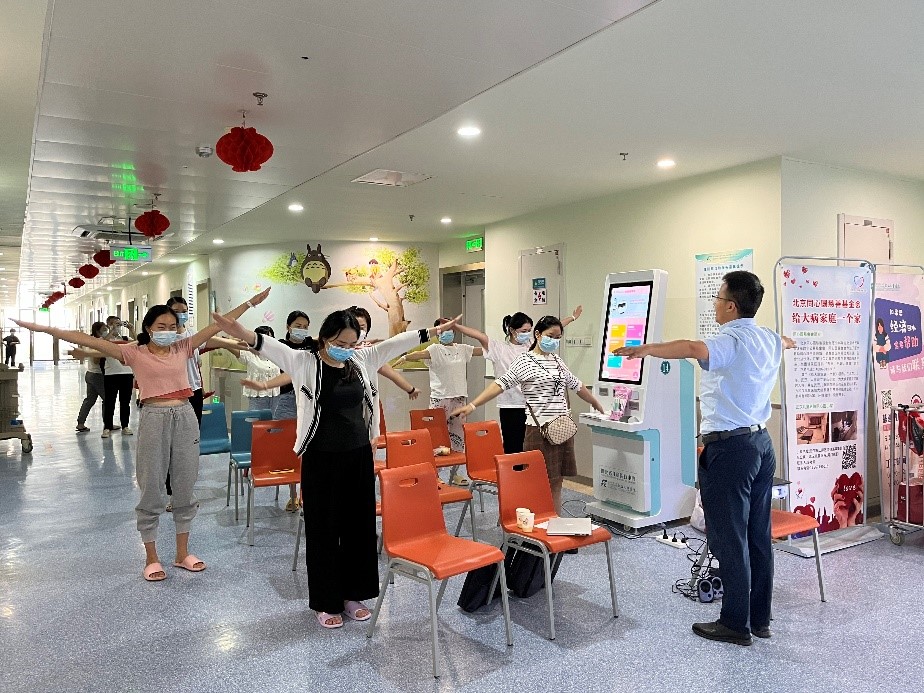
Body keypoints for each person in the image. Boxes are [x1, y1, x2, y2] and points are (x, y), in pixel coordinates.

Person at [213, 308, 458, 629]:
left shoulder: (361, 359)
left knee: (358, 527)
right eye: (341, 343)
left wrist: (432, 332)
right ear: (325, 338)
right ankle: (326, 601)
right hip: (321, 457)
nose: (346, 349)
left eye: (352, 343)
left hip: (358, 455)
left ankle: (354, 595)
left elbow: (395, 344)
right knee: (324, 529)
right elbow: (269, 346)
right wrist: (238, 331)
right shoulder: (304, 362)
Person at [14, 288, 270, 582]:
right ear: (148, 328)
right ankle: (151, 556)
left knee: (185, 483)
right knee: (151, 485)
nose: (168, 331)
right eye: (161, 326)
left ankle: (182, 553)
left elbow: (219, 325)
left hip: (185, 415)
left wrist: (250, 302)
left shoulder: (184, 347)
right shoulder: (132, 352)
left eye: (172, 326)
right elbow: (87, 340)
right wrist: (43, 328)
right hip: (153, 417)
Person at [613, 270, 794, 646]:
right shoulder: (768, 337)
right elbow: (786, 342)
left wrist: (645, 349)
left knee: (730, 539)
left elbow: (693, 348)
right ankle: (759, 619)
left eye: (718, 298)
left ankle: (735, 624)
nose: (714, 304)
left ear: (731, 306)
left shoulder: (730, 339)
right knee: (757, 536)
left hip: (732, 450)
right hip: (762, 445)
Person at [452, 314, 604, 512]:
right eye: (551, 336)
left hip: (561, 428)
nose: (554, 341)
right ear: (538, 335)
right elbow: (500, 384)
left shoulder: (557, 361)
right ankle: (536, 522)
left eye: (558, 338)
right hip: (539, 429)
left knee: (557, 482)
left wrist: (595, 402)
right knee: (536, 481)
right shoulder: (525, 361)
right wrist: (472, 405)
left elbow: (576, 385)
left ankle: (554, 521)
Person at [454, 306, 583, 454]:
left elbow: (554, 328)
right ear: (512, 330)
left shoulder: (531, 345)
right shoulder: (499, 349)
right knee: (513, 447)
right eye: (524, 331)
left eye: (529, 330)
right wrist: (455, 326)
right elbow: (479, 336)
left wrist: (573, 318)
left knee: (532, 447)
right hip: (510, 406)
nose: (527, 334)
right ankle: (513, 469)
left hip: (532, 406)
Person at [397, 319, 484, 485]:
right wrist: (406, 356)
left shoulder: (462, 349)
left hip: (459, 399)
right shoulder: (435, 349)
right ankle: (434, 475)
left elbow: (482, 351)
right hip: (440, 398)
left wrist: (499, 347)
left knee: (458, 438)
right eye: (443, 330)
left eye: (450, 329)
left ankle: (455, 474)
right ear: (437, 333)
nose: (447, 333)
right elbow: (420, 354)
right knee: (436, 438)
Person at [221, 326, 282, 411]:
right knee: (255, 418)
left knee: (274, 418)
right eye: (264, 338)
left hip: (275, 396)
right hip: (257, 397)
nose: (267, 341)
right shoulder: (249, 354)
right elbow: (226, 344)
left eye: (270, 338)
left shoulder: (276, 354)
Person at [101, 316, 136, 438]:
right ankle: (107, 427)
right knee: (109, 402)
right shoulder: (106, 339)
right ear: (108, 325)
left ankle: (125, 425)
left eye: (118, 324)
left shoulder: (125, 339)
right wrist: (112, 331)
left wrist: (132, 329)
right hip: (111, 374)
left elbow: (139, 344)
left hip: (126, 373)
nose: (117, 326)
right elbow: (102, 344)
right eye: (113, 324)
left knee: (125, 402)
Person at [274, 310, 312, 420]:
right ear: (288, 327)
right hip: (288, 395)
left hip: (308, 396)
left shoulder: (311, 344)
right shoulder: (281, 345)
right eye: (298, 326)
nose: (302, 330)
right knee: (284, 428)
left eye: (305, 327)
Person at [70, 322, 108, 433]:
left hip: (90, 374)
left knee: (89, 400)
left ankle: (80, 423)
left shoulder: (90, 340)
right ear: (97, 331)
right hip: (97, 375)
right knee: (107, 399)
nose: (106, 331)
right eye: (104, 329)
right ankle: (108, 424)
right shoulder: (95, 342)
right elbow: (96, 360)